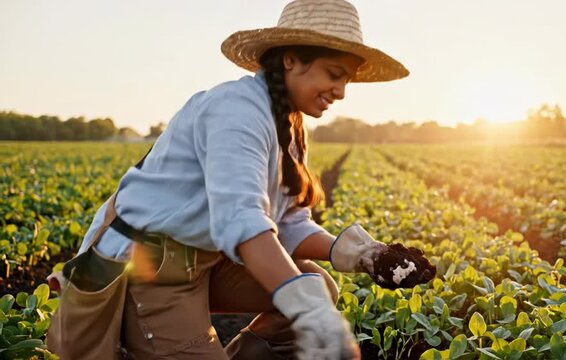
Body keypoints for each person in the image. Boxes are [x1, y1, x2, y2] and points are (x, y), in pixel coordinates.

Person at [50, 0, 408, 359]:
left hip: (202, 259)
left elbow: (287, 221)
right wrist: (309, 311)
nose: (342, 91)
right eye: (334, 74)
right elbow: (242, 220)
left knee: (319, 286)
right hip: (152, 270)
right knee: (306, 297)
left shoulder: (289, 126)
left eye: (346, 78)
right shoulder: (236, 109)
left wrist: (358, 253)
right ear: (290, 59)